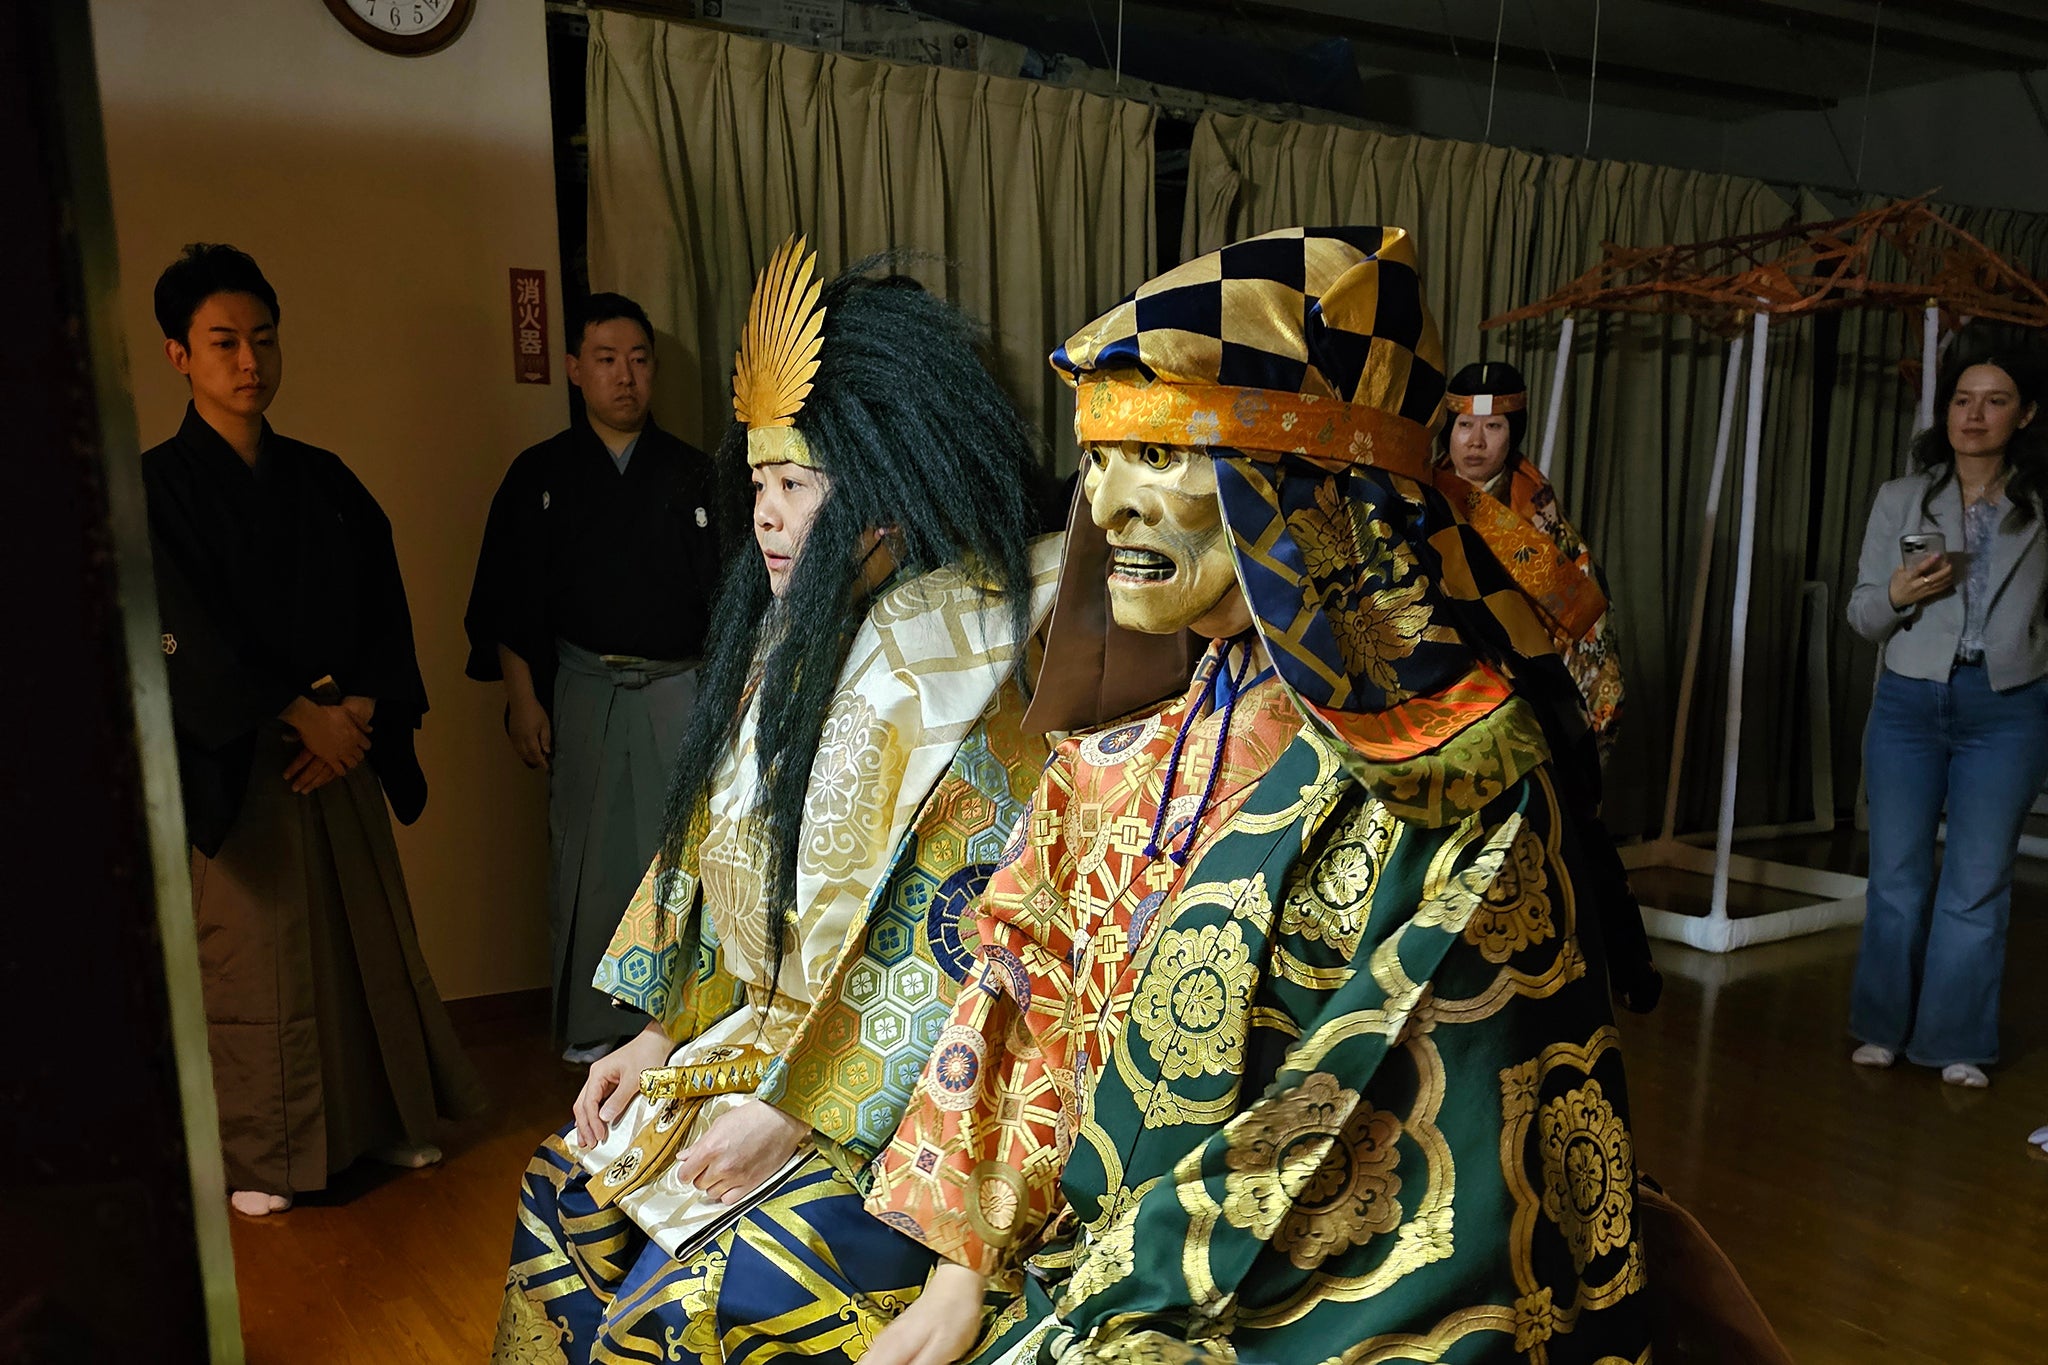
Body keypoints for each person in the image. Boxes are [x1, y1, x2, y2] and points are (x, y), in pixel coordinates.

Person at [864, 226, 1651, 1364]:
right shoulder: (1111, 761)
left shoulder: (1454, 799)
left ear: (1300, 491)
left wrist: (1113, 1316)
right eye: (1101, 457)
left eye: (1165, 457)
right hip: (1067, 1269)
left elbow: (1419, 1170)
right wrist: (959, 1268)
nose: (1109, 504)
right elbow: (1016, 991)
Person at [491, 241, 1064, 1364]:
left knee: (693, 1305)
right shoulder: (791, 642)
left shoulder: (977, 669)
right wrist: (658, 1028)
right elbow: (711, 856)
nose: (763, 515)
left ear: (887, 497)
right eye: (756, 484)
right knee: (561, 1192)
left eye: (795, 485)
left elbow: (948, 938)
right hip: (755, 1042)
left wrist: (800, 1107)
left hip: (907, 1108)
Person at [141, 243, 485, 1218]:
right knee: (260, 960)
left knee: (365, 942)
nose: (248, 361)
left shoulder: (326, 480)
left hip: (341, 748)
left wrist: (362, 711)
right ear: (178, 355)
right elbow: (183, 638)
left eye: (262, 339)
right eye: (222, 343)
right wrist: (296, 713)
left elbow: (384, 609)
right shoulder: (157, 491)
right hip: (248, 763)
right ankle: (265, 1158)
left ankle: (390, 1124)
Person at [465, 292, 722, 1062]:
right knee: (584, 860)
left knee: (681, 861)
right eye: (607, 360)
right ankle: (591, 1026)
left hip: (683, 687)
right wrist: (521, 697)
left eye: (640, 361)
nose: (626, 377)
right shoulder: (539, 476)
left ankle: (676, 1026)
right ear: (575, 369)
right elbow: (509, 603)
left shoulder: (694, 474)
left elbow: (729, 601)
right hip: (581, 686)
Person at [1847, 353, 2048, 1089]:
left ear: (2025, 415)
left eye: (1996, 401)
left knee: (1978, 880)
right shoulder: (1903, 496)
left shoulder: (2040, 505)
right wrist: (1898, 591)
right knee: (1896, 877)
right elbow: (1864, 614)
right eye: (1963, 399)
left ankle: (1954, 1039)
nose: (1974, 414)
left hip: (2007, 709)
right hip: (1908, 703)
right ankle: (1880, 1028)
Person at [1435, 359, 1660, 1012]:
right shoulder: (1416, 498)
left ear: (1517, 431)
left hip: (1526, 704)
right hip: (1443, 699)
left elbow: (1585, 631)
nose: (1476, 441)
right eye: (1465, 424)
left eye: (1495, 425)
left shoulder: (1542, 521)